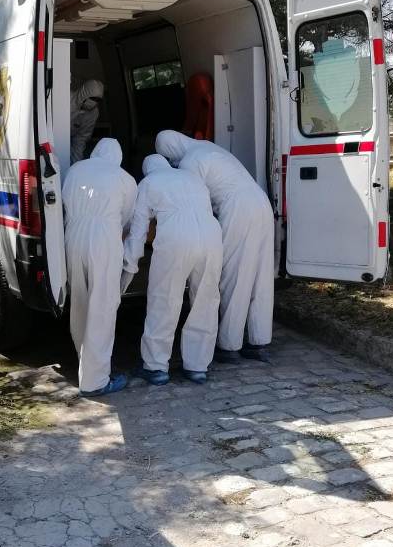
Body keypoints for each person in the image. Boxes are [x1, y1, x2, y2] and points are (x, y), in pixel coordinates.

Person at [155, 131, 275, 364]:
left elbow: (190, 202)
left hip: (238, 208)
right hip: (261, 202)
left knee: (234, 276)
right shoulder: (208, 147)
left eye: (169, 158)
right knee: (260, 277)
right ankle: (259, 342)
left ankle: (229, 345)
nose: (172, 163)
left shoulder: (191, 161)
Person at [122, 154, 222, 385]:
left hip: (176, 237)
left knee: (164, 300)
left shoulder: (148, 183)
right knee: (205, 301)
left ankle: (155, 367)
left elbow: (139, 228)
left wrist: (129, 263)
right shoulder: (193, 178)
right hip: (211, 236)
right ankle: (197, 367)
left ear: (147, 170)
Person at [62, 138, 137, 395]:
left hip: (73, 235)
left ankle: (85, 363)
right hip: (104, 237)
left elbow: (63, 203)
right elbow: (127, 218)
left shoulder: (75, 170)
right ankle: (95, 381)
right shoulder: (124, 178)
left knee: (79, 303)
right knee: (102, 306)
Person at [70, 79, 104, 163]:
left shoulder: (93, 113)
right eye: (93, 98)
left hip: (69, 140)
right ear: (84, 94)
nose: (94, 102)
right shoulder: (65, 99)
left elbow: (81, 138)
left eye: (98, 100)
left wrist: (76, 164)